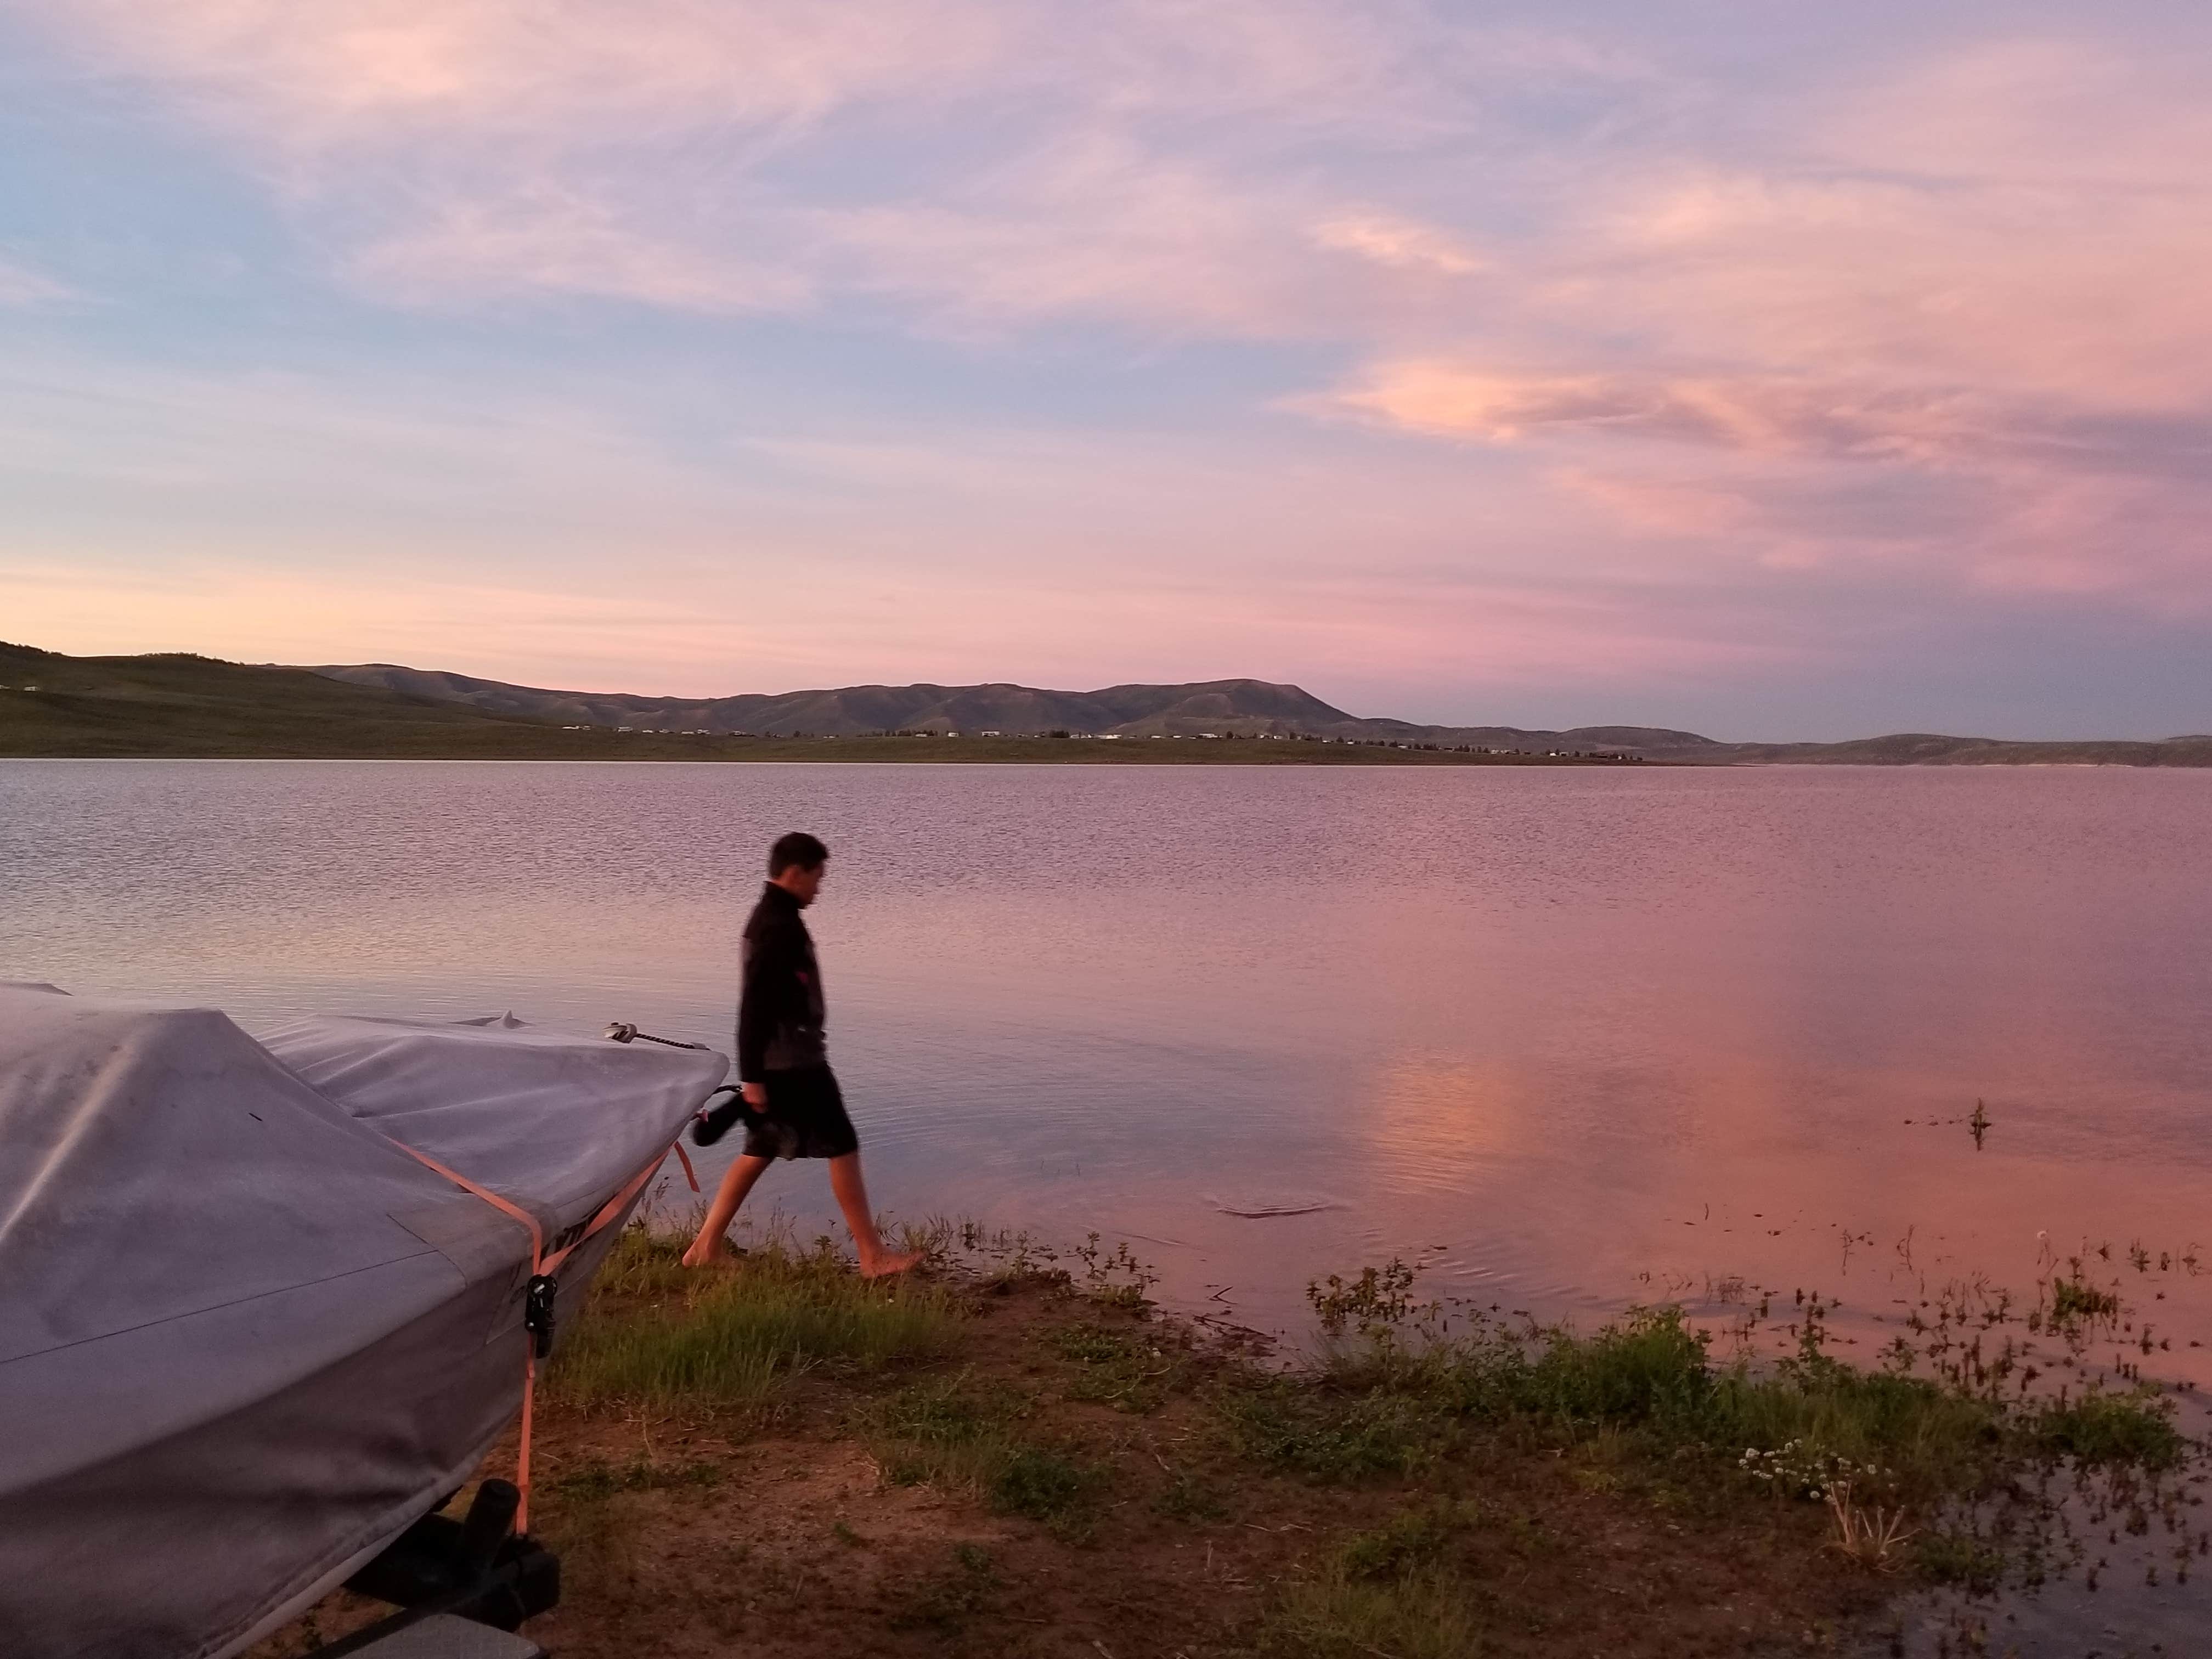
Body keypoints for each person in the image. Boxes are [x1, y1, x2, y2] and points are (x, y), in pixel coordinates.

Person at [682, 832, 921, 1277]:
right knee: (843, 1146)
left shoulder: (777, 916)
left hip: (786, 1061)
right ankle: (872, 1257)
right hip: (794, 1064)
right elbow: (752, 1006)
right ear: (795, 874)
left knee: (761, 1149)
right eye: (817, 878)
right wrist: (752, 1076)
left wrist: (757, 1075)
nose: (820, 888)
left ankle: (704, 1248)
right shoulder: (775, 926)